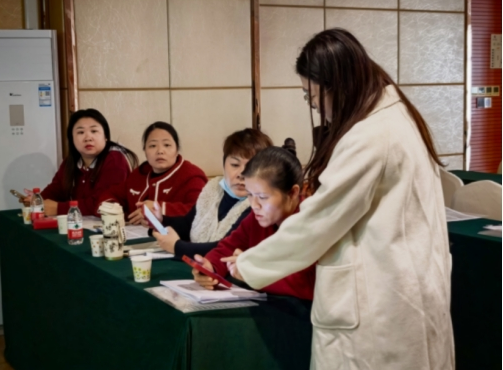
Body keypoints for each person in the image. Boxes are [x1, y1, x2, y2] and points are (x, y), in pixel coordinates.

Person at [229, 29, 454, 369]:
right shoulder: (394, 117)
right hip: (405, 290)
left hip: (382, 305)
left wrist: (248, 265)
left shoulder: (371, 136)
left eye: (312, 96)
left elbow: (318, 222)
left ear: (336, 86)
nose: (315, 107)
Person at [190, 147, 315, 300]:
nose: (254, 205)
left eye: (262, 197)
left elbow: (311, 283)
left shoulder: (312, 223)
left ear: (293, 193)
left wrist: (254, 273)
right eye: (249, 195)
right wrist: (210, 266)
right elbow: (228, 247)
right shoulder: (256, 218)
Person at [149, 128, 273, 259]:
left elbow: (226, 248)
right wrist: (161, 220)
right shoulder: (214, 188)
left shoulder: (259, 204)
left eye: (250, 167)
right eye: (235, 165)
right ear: (224, 165)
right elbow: (189, 223)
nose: (241, 174)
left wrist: (177, 247)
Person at [26, 109, 138, 216]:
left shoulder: (115, 160)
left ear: (106, 137)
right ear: (72, 139)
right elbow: (56, 189)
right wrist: (38, 200)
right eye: (80, 132)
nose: (88, 138)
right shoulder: (71, 161)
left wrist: (58, 208)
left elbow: (103, 204)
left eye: (94, 131)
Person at [99, 121, 207, 223]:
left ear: (177, 150)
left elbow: (202, 211)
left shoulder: (191, 175)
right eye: (152, 146)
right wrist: (118, 213)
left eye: (167, 145)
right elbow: (110, 195)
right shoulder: (139, 174)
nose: (160, 151)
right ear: (145, 151)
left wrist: (158, 209)